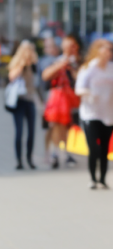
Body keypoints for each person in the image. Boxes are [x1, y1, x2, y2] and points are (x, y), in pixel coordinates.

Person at [76, 39, 113, 189]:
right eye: (106, 49)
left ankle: (102, 179)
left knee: (105, 148)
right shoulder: (88, 68)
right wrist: (90, 93)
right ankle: (92, 178)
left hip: (108, 113)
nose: (109, 53)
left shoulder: (111, 68)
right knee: (94, 148)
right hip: (90, 113)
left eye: (110, 50)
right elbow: (78, 89)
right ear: (97, 50)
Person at [42, 34, 82, 169]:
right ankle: (56, 152)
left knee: (70, 126)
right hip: (57, 100)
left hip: (73, 99)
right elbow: (46, 75)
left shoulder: (79, 62)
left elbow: (80, 79)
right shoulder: (57, 61)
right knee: (55, 126)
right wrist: (62, 64)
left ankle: (66, 152)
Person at [7, 40, 39, 170]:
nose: (29, 53)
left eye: (31, 50)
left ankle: (29, 158)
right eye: (26, 50)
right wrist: (22, 64)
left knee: (31, 132)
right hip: (19, 101)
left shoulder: (34, 65)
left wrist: (41, 102)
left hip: (30, 101)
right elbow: (11, 77)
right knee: (19, 131)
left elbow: (37, 85)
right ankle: (19, 160)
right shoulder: (17, 63)